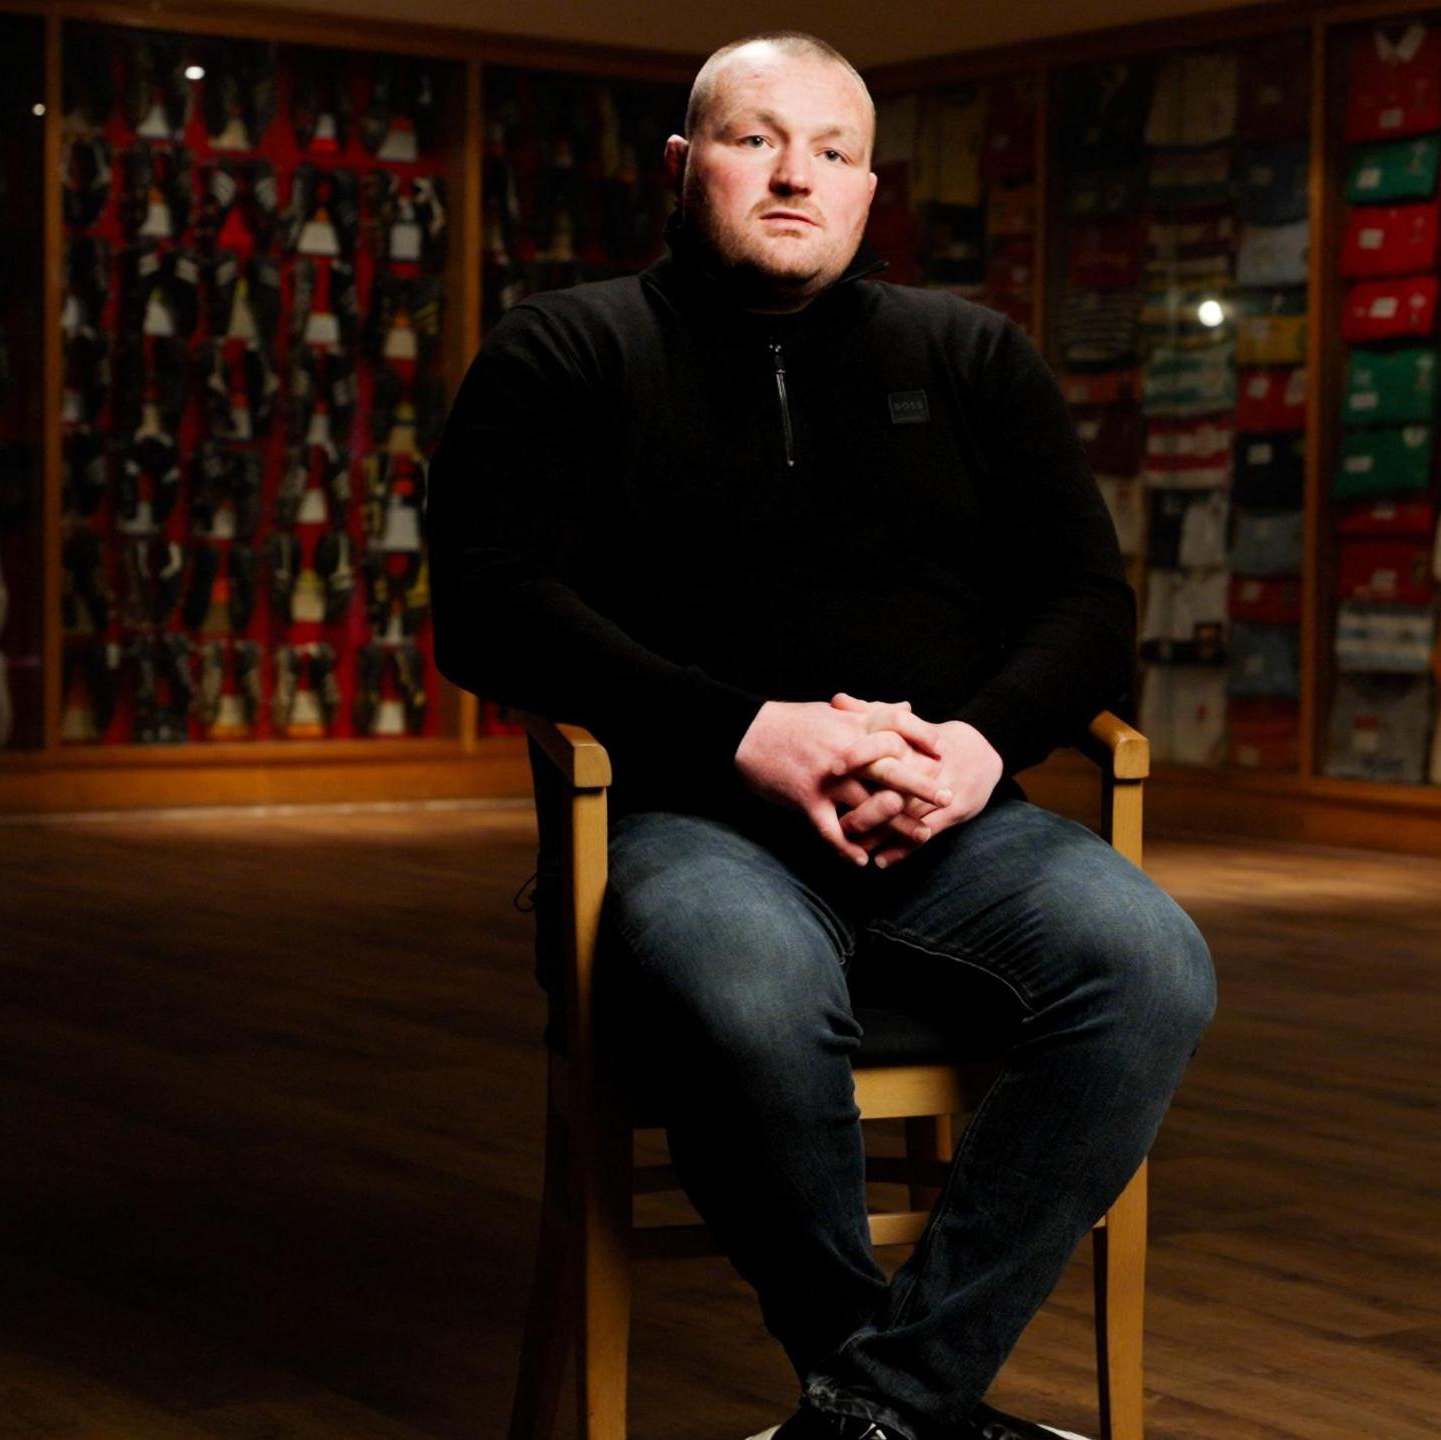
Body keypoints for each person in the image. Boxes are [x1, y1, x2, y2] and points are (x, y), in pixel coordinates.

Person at [426, 31, 1218, 1440]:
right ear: (684, 169)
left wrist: (980, 747)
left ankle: (875, 1409)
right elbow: (493, 611)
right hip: (687, 818)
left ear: (869, 191)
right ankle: (917, 1414)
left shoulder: (972, 355)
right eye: (755, 139)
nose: (796, 174)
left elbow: (1089, 606)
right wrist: (748, 734)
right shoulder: (569, 349)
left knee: (1153, 959)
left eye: (835, 152)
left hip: (953, 821)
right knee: (739, 985)